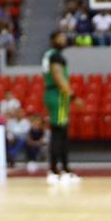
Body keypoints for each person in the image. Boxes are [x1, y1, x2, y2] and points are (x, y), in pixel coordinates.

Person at [42, 31, 76, 184]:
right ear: (53, 40)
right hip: (57, 95)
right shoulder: (56, 56)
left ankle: (58, 169)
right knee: (59, 134)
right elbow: (58, 75)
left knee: (58, 132)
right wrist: (71, 94)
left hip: (51, 93)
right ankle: (59, 170)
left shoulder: (48, 54)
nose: (64, 39)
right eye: (61, 37)